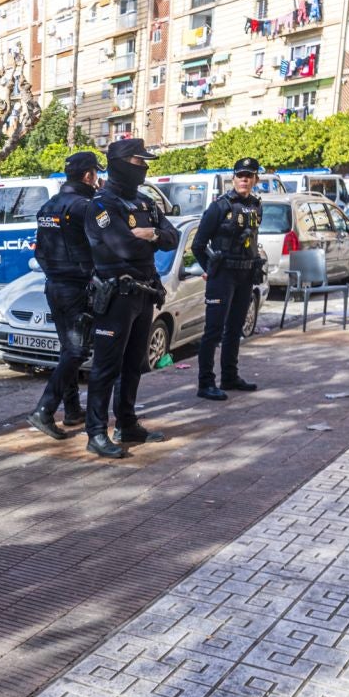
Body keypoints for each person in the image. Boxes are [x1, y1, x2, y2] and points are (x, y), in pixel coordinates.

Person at [80, 138, 175, 458]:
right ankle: (95, 432)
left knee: (133, 365)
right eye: (138, 162)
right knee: (106, 367)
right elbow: (123, 246)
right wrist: (151, 239)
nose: (144, 167)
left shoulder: (146, 202)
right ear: (120, 163)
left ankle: (127, 423)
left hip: (144, 293)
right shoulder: (102, 205)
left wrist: (152, 235)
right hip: (117, 295)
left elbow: (172, 237)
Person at [25, 151, 101, 440]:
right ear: (88, 176)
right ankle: (44, 410)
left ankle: (71, 410)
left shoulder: (48, 206)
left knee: (67, 348)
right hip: (77, 288)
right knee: (77, 350)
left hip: (54, 285)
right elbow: (102, 246)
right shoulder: (86, 206)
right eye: (96, 174)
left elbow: (41, 251)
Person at [189, 157, 267, 402]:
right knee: (213, 331)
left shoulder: (256, 205)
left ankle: (230, 376)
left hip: (245, 274)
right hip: (223, 276)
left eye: (249, 176)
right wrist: (210, 269)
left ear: (255, 179)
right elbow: (198, 245)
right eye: (240, 175)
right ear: (233, 178)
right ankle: (205, 383)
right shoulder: (219, 207)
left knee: (235, 329)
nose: (244, 179)